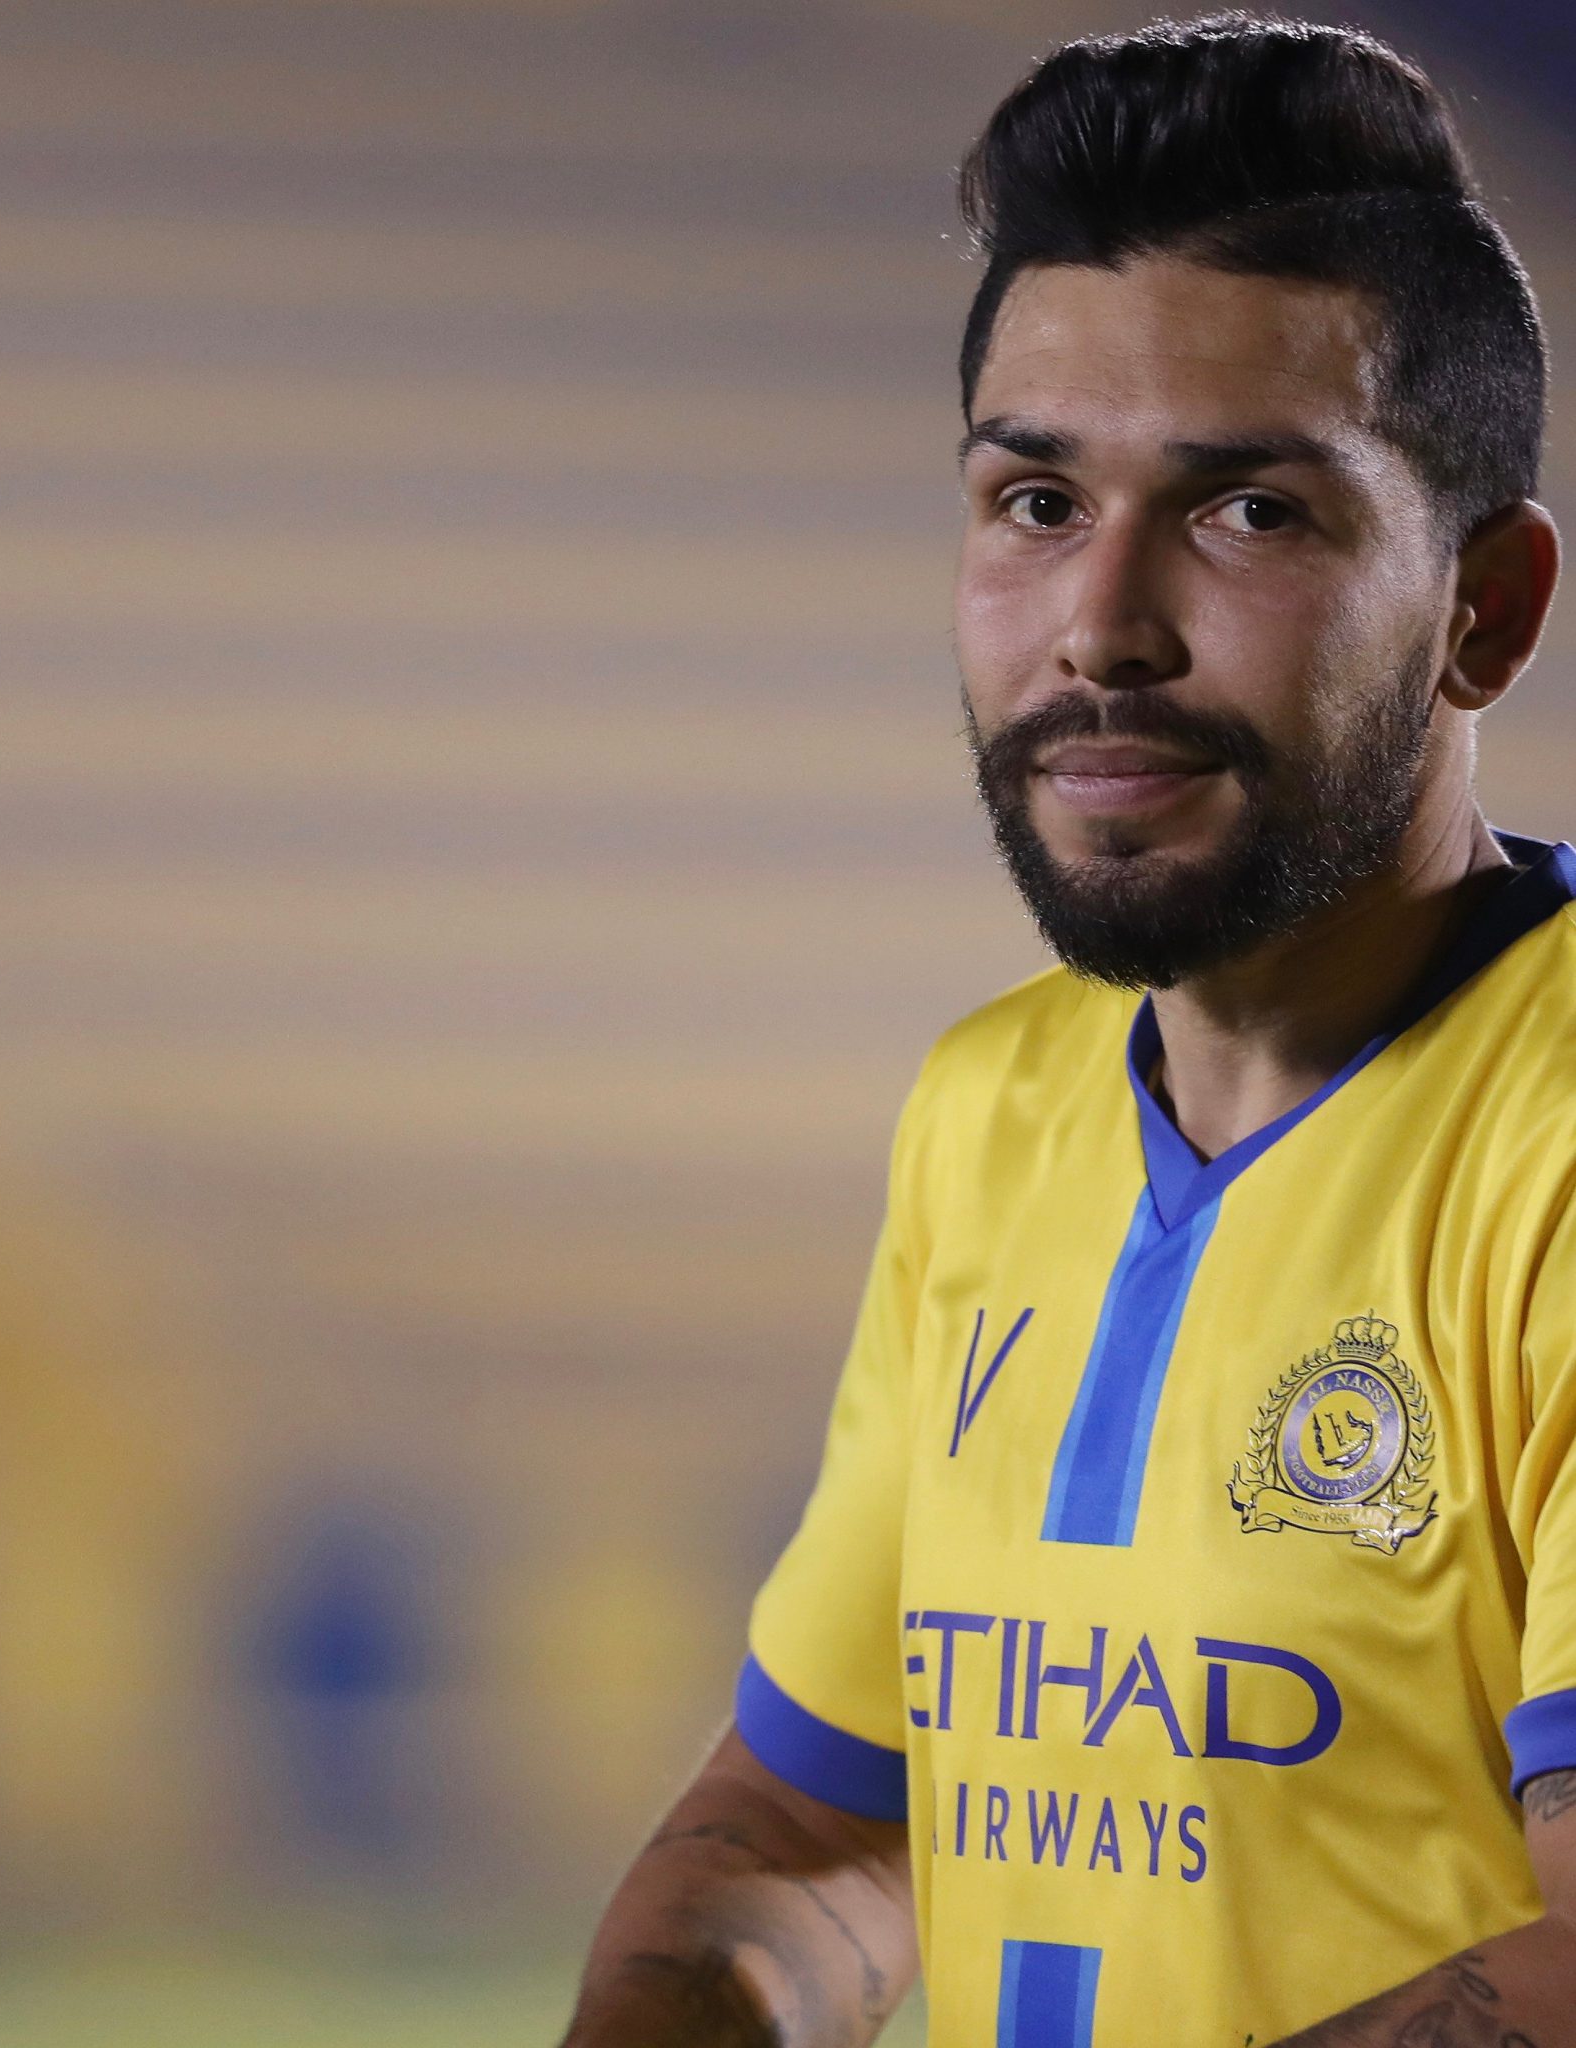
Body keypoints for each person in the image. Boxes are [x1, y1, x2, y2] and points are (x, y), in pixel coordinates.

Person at [557, 15, 1576, 2046]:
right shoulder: (994, 1106)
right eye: (1034, 499)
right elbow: (828, 1824)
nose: (1100, 623)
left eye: (1249, 512)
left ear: (1487, 608)